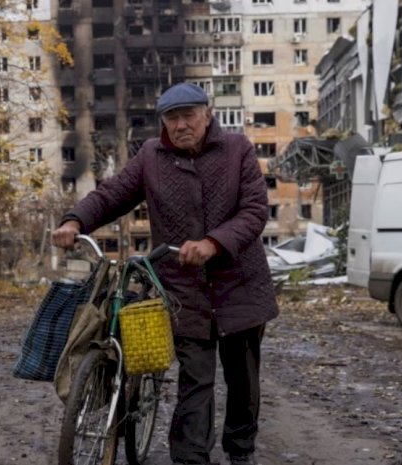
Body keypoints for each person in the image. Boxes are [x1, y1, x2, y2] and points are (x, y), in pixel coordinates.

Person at [52, 82, 279, 465]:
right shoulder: (151, 157)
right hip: (183, 291)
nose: (180, 125)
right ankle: (190, 459)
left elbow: (255, 211)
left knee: (243, 380)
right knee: (196, 380)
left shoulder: (237, 149)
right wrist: (76, 220)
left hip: (239, 285)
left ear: (207, 115)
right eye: (171, 118)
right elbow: (112, 195)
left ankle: (241, 452)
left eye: (188, 115)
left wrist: (213, 243)